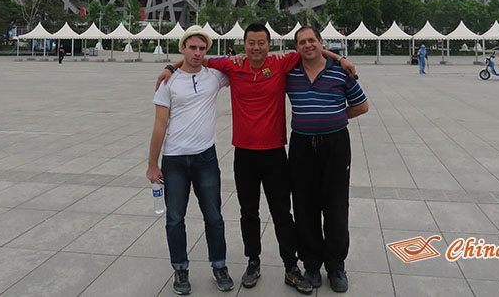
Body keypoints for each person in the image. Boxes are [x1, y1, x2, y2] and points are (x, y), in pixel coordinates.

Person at [157, 23, 356, 294]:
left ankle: (291, 266)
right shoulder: (231, 66)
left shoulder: (281, 63)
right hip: (245, 153)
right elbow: (196, 57)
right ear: (244, 44)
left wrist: (341, 58)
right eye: (251, 42)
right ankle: (253, 262)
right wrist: (170, 67)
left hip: (275, 152)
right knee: (248, 212)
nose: (256, 47)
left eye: (261, 42)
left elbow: (313, 50)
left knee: (282, 213)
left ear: (269, 44)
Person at [146, 26, 234, 295]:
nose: (197, 52)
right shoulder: (168, 82)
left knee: (214, 216)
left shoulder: (215, 77)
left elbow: (238, 66)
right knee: (174, 218)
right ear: (182, 48)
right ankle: (180, 269)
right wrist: (152, 164)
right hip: (174, 160)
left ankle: (219, 265)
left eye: (202, 48)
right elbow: (160, 124)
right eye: (192, 47)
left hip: (205, 158)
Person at [286, 26, 368, 292]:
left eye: (312, 40)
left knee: (335, 206)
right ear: (296, 47)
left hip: (335, 145)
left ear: (321, 42)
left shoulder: (340, 72)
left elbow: (362, 105)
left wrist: (336, 117)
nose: (308, 45)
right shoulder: (290, 73)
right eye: (302, 42)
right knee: (304, 205)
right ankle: (311, 264)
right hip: (301, 145)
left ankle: (335, 266)